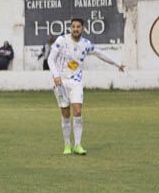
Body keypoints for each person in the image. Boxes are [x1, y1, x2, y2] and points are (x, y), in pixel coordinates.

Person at [48, 17, 125, 155]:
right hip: (61, 83)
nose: (75, 29)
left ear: (82, 28)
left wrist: (116, 64)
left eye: (78, 27)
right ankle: (67, 145)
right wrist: (56, 75)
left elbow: (99, 53)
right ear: (70, 28)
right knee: (65, 114)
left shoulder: (86, 44)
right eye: (73, 26)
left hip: (76, 82)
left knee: (77, 112)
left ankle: (77, 145)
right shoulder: (62, 40)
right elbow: (50, 59)